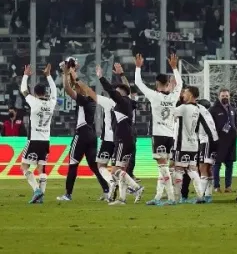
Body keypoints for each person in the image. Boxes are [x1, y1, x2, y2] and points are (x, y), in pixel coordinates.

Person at [135, 53, 182, 206]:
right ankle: (158, 196)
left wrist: (138, 67)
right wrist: (175, 68)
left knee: (163, 167)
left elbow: (138, 83)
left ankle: (170, 198)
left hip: (158, 135)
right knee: (164, 168)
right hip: (171, 136)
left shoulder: (154, 96)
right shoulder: (174, 96)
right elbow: (180, 84)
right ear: (168, 83)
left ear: (156, 84)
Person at [57, 66, 109, 201]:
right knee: (94, 166)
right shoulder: (91, 101)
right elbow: (75, 86)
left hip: (81, 135)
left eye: (78, 88)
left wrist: (66, 73)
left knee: (73, 164)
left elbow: (68, 89)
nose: (76, 89)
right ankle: (107, 190)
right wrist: (73, 74)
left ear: (83, 91)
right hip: (92, 136)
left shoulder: (83, 100)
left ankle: (68, 194)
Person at [97, 65, 144, 205]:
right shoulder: (129, 102)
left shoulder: (122, 101)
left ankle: (136, 187)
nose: (115, 93)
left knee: (116, 171)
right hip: (128, 138)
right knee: (121, 169)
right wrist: (122, 75)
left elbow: (111, 91)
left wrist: (101, 77)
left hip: (122, 139)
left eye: (118, 91)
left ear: (121, 93)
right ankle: (122, 199)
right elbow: (126, 89)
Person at [20, 64, 56, 204]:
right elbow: (54, 92)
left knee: (24, 167)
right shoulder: (51, 103)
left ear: (35, 93)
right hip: (46, 140)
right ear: (45, 92)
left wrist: (25, 75)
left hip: (34, 140)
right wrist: (48, 75)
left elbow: (23, 90)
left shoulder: (33, 102)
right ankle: (41, 197)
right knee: (41, 168)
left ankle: (37, 190)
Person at [171, 86, 204, 203]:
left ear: (190, 95)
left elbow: (169, 111)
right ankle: (200, 196)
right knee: (192, 170)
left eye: (185, 93)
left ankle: (176, 198)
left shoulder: (183, 108)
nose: (183, 95)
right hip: (193, 144)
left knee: (178, 170)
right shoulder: (197, 108)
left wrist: (173, 94)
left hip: (182, 144)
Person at [210, 88, 237, 193]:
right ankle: (216, 186)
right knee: (217, 164)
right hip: (219, 141)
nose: (225, 97)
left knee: (230, 164)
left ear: (229, 96)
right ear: (218, 96)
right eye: (223, 96)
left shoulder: (233, 109)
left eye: (226, 96)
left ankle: (228, 186)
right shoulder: (213, 110)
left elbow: (236, 124)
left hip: (231, 141)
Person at [197, 98, 219, 203]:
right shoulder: (209, 115)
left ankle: (200, 196)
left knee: (203, 168)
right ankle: (208, 195)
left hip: (206, 142)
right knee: (209, 169)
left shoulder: (202, 115)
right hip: (213, 142)